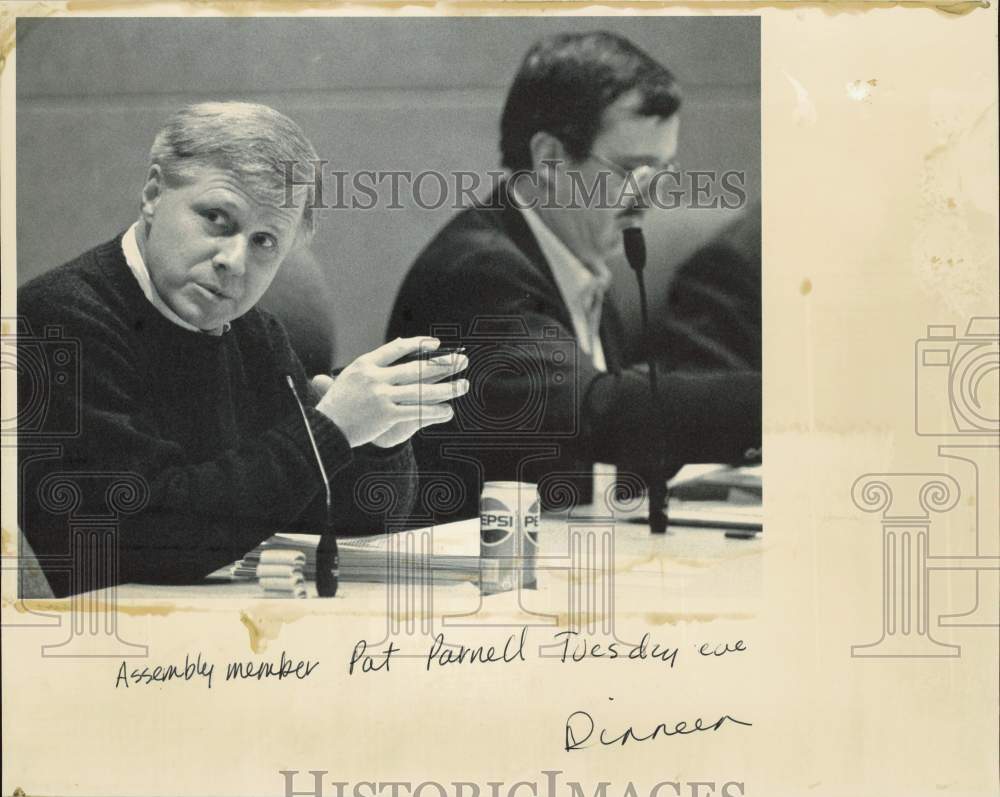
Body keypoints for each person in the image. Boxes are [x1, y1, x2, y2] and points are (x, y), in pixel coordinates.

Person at [18, 102, 468, 597]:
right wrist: (329, 430)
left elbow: (341, 519)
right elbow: (144, 534)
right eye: (216, 218)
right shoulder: (57, 321)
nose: (234, 260)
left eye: (264, 241)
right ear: (152, 193)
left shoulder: (255, 334)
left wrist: (378, 444)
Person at [386, 32, 760, 516]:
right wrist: (783, 405)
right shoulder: (478, 272)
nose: (652, 195)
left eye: (663, 172)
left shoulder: (575, 257)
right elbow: (594, 414)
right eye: (632, 170)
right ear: (551, 160)